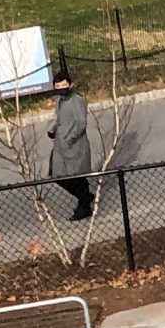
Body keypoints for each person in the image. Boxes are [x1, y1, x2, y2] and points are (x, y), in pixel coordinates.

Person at [48, 70, 94, 221]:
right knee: (57, 175)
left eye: (63, 86)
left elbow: (81, 124)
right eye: (58, 87)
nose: (61, 90)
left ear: (70, 85)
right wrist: (53, 130)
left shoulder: (77, 100)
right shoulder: (59, 100)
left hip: (75, 147)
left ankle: (84, 206)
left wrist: (70, 139)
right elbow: (60, 119)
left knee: (77, 177)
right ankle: (85, 197)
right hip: (60, 146)